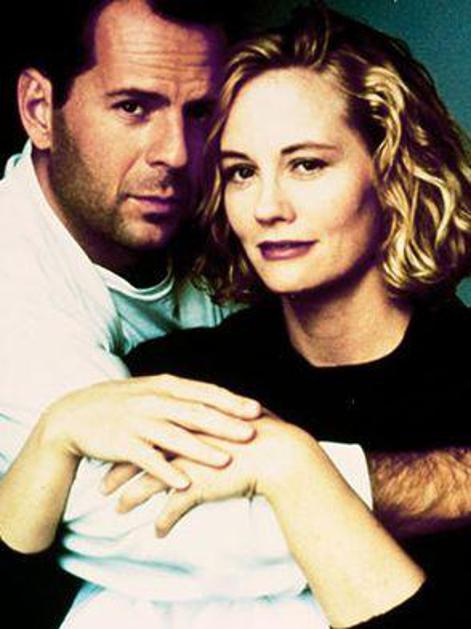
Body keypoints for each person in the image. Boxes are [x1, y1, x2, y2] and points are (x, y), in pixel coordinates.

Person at [2, 2, 469, 627]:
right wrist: (53, 438)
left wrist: (293, 466)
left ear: (393, 172)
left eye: (306, 164)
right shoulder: (174, 373)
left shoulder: (462, 385)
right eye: (242, 172)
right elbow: (59, 583)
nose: (267, 206)